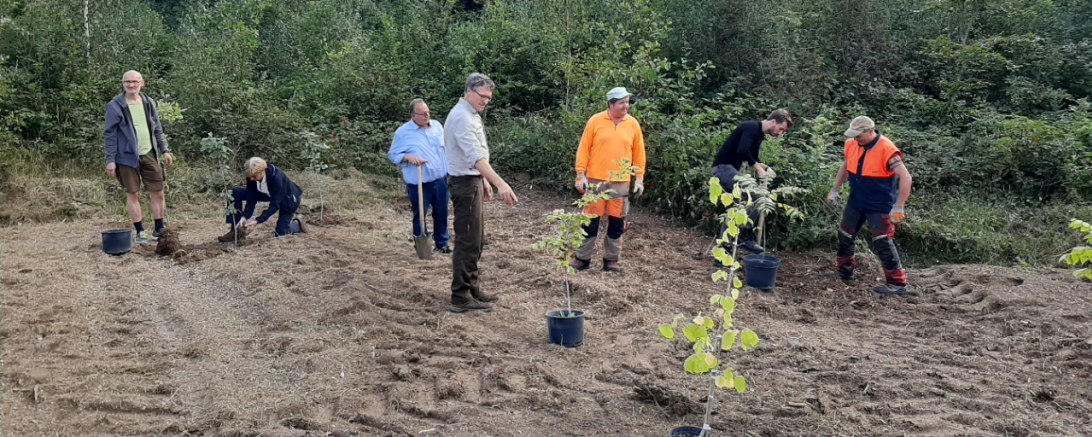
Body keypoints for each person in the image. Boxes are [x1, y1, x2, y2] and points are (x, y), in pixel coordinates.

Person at [443, 73, 518, 313]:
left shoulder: (471, 114)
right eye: (482, 96)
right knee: (467, 240)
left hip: (471, 180)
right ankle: (461, 297)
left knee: (476, 239)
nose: (486, 101)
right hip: (464, 185)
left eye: (488, 98)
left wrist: (483, 179)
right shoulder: (461, 117)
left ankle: (472, 289)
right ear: (469, 91)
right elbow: (475, 156)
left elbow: (475, 156)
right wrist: (500, 183)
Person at [826, 116, 913, 295]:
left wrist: (899, 206)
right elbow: (846, 167)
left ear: (870, 131)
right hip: (856, 201)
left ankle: (897, 284)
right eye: (854, 135)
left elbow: (906, 177)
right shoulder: (851, 144)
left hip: (880, 205)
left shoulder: (887, 149)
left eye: (859, 136)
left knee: (882, 242)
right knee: (844, 235)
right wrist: (835, 189)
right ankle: (845, 272)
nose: (856, 139)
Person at [570, 87, 647, 273]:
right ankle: (582, 258)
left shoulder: (633, 124)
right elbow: (583, 148)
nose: (626, 106)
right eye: (622, 103)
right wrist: (580, 175)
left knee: (617, 222)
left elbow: (639, 153)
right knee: (590, 221)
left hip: (621, 182)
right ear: (611, 104)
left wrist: (639, 179)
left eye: (627, 102)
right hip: (596, 180)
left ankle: (611, 260)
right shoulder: (595, 121)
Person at [104, 70, 174, 244]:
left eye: (135, 81)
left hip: (150, 153)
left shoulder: (148, 102)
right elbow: (110, 134)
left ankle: (159, 229)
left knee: (158, 192)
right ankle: (140, 231)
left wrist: (164, 150)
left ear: (142, 83)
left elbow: (157, 128)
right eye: (127, 81)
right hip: (126, 157)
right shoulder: (115, 105)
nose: (131, 85)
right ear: (123, 84)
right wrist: (110, 160)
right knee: (133, 193)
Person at [711, 109, 793, 253]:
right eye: (781, 129)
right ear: (773, 122)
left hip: (728, 170)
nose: (780, 133)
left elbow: (752, 157)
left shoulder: (759, 134)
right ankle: (745, 235)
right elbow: (742, 151)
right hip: (724, 169)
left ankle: (724, 248)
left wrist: (765, 167)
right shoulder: (751, 127)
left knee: (739, 207)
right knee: (758, 198)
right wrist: (758, 169)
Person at [388, 99, 451, 253]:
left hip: (440, 179)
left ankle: (442, 244)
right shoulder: (402, 133)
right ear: (413, 116)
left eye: (428, 112)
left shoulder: (436, 126)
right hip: (420, 183)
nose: (426, 116)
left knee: (442, 212)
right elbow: (393, 154)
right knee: (420, 215)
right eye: (422, 114)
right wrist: (408, 157)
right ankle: (422, 247)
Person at [217, 157, 306, 242]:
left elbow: (275, 204)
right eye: (250, 177)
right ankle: (236, 231)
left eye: (254, 176)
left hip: (288, 199)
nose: (252, 179)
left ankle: (298, 223)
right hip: (268, 194)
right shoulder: (252, 175)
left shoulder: (277, 178)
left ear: (262, 171)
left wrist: (258, 221)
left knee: (281, 232)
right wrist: (245, 217)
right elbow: (251, 197)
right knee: (234, 192)